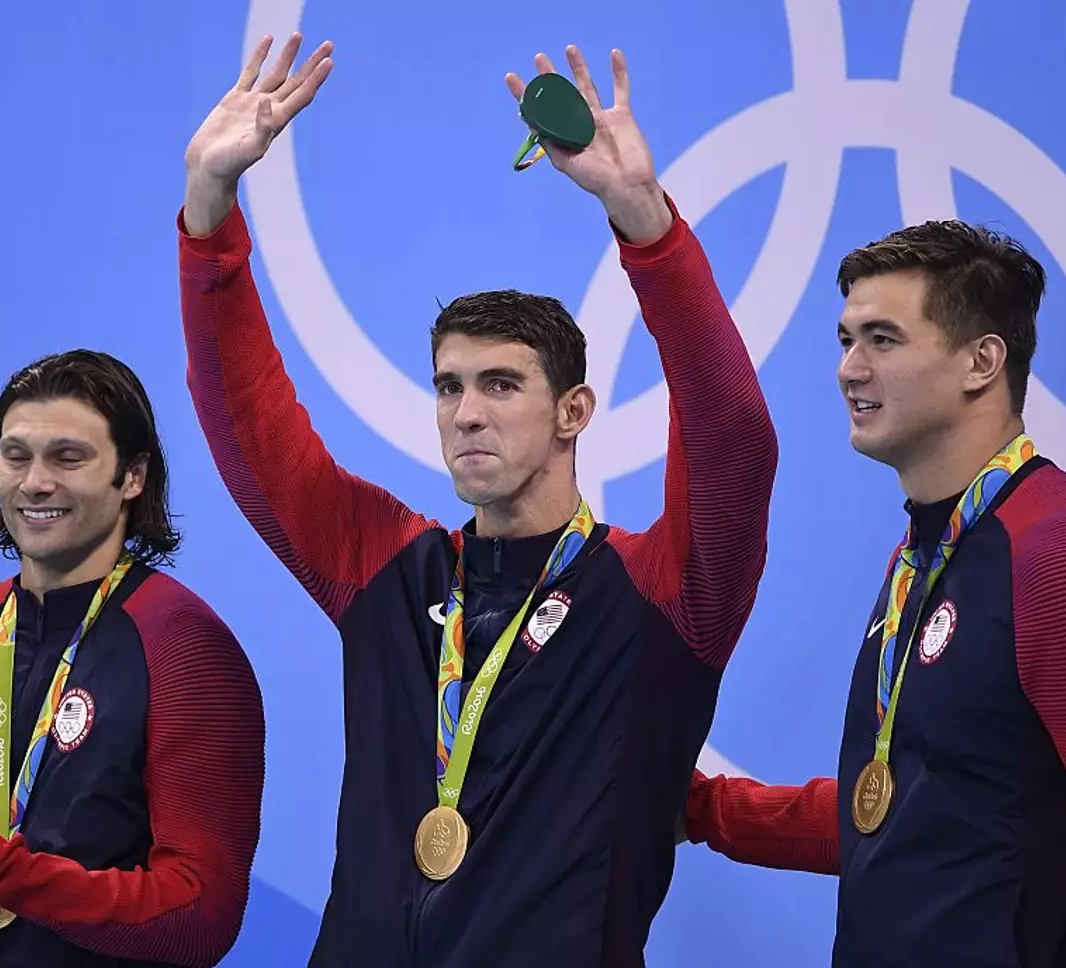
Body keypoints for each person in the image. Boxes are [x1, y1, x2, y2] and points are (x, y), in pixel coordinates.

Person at [178, 33, 778, 966]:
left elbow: (733, 436)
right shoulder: (387, 566)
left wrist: (646, 228)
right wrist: (211, 212)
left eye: (501, 385)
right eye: (449, 386)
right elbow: (251, 435)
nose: (465, 413)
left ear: (574, 410)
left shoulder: (663, 592)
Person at [683, 221, 1066, 966]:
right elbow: (909, 814)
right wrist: (705, 809)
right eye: (845, 340)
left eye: (883, 340)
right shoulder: (924, 555)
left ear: (981, 361)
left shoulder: (1064, 552)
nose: (849, 370)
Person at [0, 350, 266, 968]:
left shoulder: (185, 647)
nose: (35, 481)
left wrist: (4, 873)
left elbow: (200, 917)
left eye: (69, 457)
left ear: (133, 476)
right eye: (16, 456)